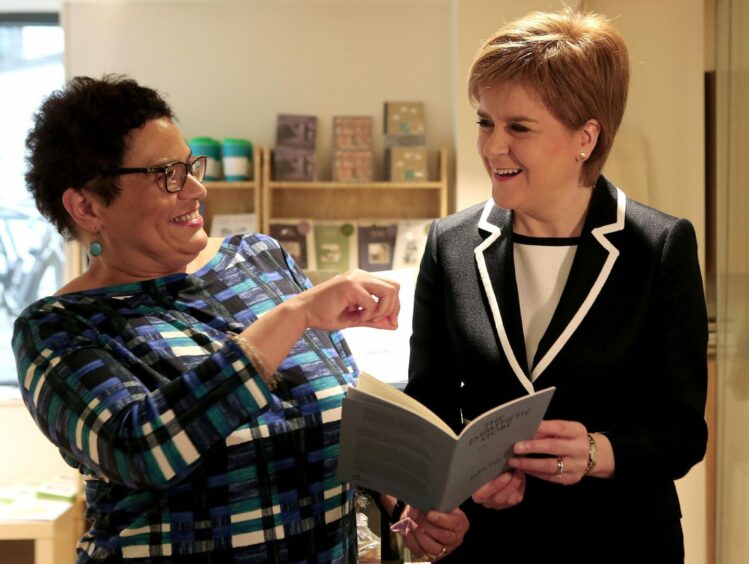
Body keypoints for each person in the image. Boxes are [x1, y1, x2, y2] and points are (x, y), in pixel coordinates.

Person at [14, 74, 408, 563]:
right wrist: (296, 315)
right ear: (88, 206)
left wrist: (404, 501)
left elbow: (340, 407)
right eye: (166, 175)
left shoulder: (259, 260)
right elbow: (142, 449)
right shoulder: (59, 328)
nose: (196, 189)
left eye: (190, 166)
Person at [379, 8, 708, 563]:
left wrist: (597, 452)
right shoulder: (450, 244)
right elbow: (430, 405)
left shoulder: (660, 246)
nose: (491, 147)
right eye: (486, 121)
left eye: (518, 128)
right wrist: (427, 499)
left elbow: (681, 432)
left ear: (586, 136)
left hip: (622, 544)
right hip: (486, 545)